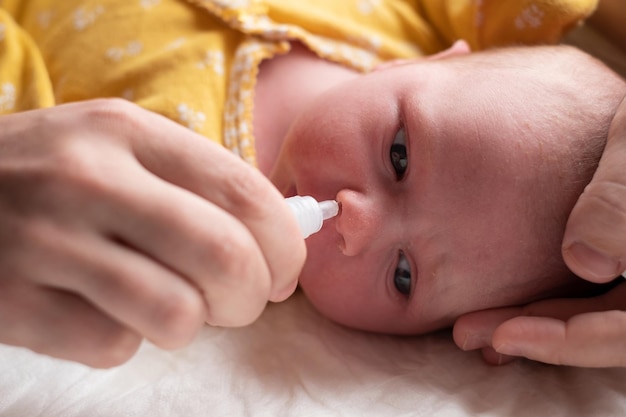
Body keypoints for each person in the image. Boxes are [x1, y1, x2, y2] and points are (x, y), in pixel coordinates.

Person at [0, 0, 624, 368]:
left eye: (403, 275)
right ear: (434, 61)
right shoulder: (419, 20)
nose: (358, 223)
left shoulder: (178, 209)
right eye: (400, 156)